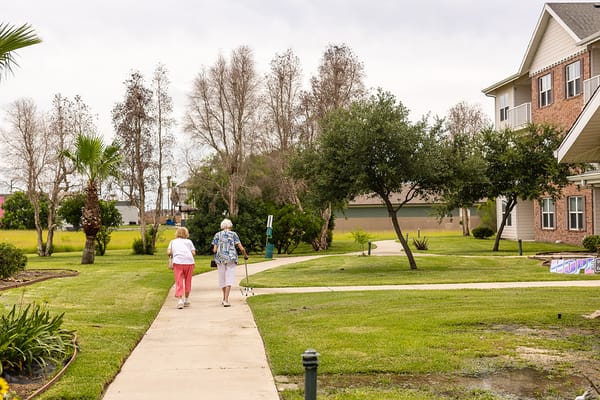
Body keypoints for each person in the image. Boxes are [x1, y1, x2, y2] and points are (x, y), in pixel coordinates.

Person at [212, 218, 248, 307]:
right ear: (230, 226)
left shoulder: (217, 235)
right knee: (229, 278)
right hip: (231, 258)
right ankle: (226, 300)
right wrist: (245, 255)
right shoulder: (233, 234)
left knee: (222, 278)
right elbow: (241, 247)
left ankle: (224, 298)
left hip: (220, 259)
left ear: (222, 226)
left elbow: (214, 250)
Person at [167, 227, 196, 309]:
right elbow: (193, 253)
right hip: (189, 262)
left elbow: (169, 252)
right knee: (188, 280)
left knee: (179, 280)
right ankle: (186, 300)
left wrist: (175, 253)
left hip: (178, 262)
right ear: (186, 234)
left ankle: (180, 300)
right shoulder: (189, 242)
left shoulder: (173, 242)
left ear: (177, 233)